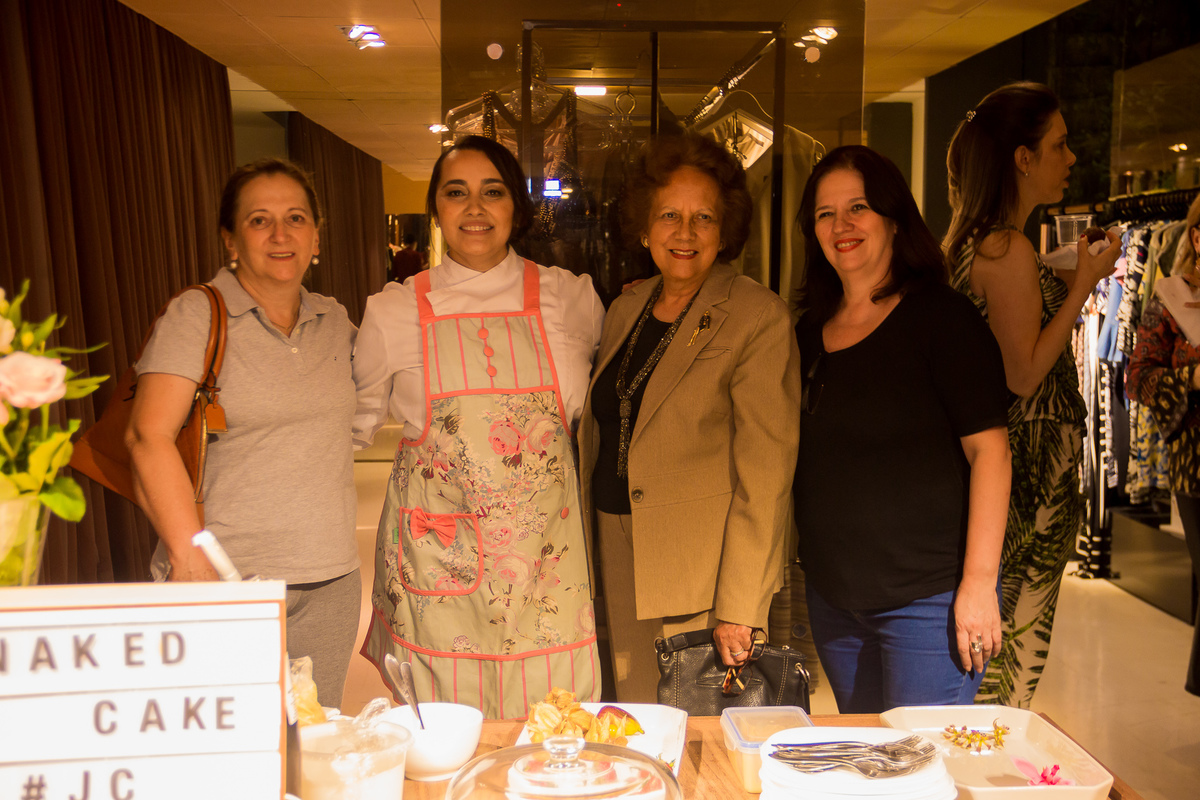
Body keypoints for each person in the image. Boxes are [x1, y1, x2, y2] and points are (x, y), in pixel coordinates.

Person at [352, 135, 604, 719]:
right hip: (438, 566)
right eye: (455, 192)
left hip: (549, 569)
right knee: (446, 736)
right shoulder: (391, 312)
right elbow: (350, 426)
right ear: (436, 208)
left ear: (516, 205)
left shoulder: (572, 299)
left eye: (492, 192)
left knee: (552, 732)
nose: (474, 208)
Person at [127, 158, 360, 707]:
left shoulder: (334, 321)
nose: (281, 234)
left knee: (313, 739)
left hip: (330, 579)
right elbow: (146, 437)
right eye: (260, 220)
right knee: (226, 741)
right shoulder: (197, 315)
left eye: (296, 218)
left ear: (316, 237)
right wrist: (188, 559)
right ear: (230, 240)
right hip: (226, 576)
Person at [579, 133, 801, 703]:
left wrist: (740, 605)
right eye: (669, 215)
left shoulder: (756, 315)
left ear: (724, 231)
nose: (685, 232)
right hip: (617, 552)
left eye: (703, 217)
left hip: (701, 573)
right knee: (635, 719)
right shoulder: (626, 307)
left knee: (701, 731)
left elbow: (767, 474)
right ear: (644, 228)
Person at [793, 145, 1011, 713]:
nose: (841, 225)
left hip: (928, 602)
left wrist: (979, 584)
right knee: (869, 757)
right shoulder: (807, 334)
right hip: (835, 601)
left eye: (858, 207)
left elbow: (990, 453)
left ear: (893, 218)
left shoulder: (943, 319)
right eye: (825, 213)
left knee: (918, 758)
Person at [945, 82, 1121, 707]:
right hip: (1027, 480)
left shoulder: (980, 241)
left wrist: (1064, 272)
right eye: (1059, 144)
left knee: (997, 654)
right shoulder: (1007, 247)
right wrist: (1085, 285)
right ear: (1023, 158)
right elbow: (1023, 374)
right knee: (1009, 661)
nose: (1071, 158)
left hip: (1016, 474)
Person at [1126, 193, 1200, 697]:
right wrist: (1191, 378)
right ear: (1196, 236)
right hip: (1196, 465)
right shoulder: (1173, 297)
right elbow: (1137, 378)